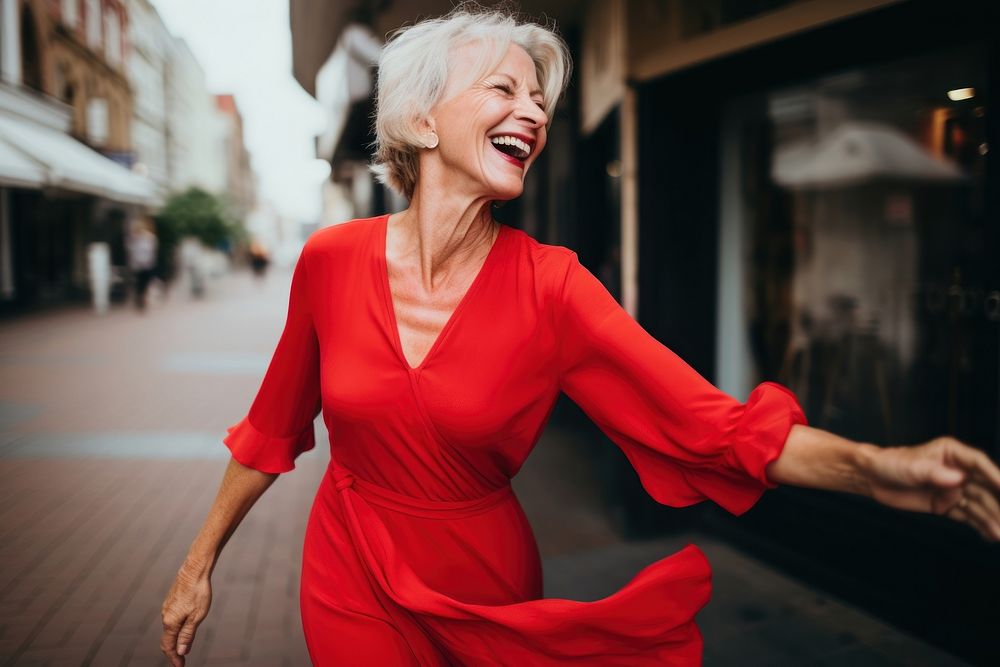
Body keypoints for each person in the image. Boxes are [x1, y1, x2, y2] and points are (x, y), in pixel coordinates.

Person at [159, 6, 1000, 666]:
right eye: (504, 90)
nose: (533, 112)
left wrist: (874, 468)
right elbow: (269, 429)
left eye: (539, 99)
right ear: (420, 121)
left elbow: (712, 424)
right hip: (352, 563)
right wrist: (198, 564)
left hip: (488, 584)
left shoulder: (552, 286)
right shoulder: (329, 261)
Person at [126, 217, 158, 312]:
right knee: (139, 284)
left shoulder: (150, 237)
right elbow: (130, 250)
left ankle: (142, 298)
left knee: (144, 283)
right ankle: (140, 300)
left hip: (147, 265)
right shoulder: (133, 238)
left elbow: (152, 251)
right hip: (137, 265)